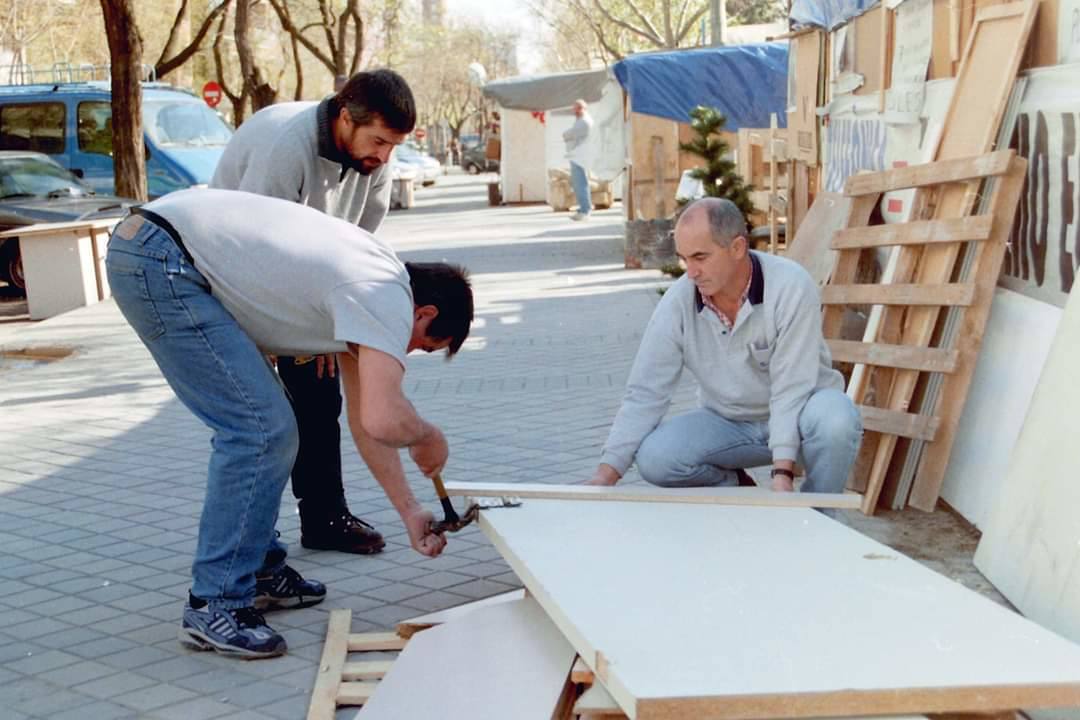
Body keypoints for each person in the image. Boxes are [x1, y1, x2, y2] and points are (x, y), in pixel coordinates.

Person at [105, 188, 474, 659]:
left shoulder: (375, 281)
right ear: (424, 313)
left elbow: (366, 425)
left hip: (159, 246)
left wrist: (409, 511)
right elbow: (385, 418)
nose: (407, 353)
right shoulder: (384, 295)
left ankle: (257, 568)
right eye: (422, 344)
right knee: (261, 430)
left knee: (272, 427)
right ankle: (213, 603)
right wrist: (427, 435)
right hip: (161, 258)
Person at [211, 69, 415, 556]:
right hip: (230, 272)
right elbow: (256, 252)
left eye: (393, 146)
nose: (385, 156)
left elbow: (357, 248)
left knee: (320, 400)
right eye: (379, 141)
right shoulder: (287, 148)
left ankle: (325, 517)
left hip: (301, 275)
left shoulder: (374, 159)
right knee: (262, 422)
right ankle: (253, 546)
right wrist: (296, 336)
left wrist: (329, 330)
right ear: (346, 118)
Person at [587, 197, 862, 495]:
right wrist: (605, 476)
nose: (690, 272)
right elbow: (645, 392)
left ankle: (818, 516)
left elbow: (791, 387)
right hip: (729, 423)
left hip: (802, 417)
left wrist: (782, 472)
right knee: (656, 458)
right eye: (684, 258)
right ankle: (739, 490)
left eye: (700, 257)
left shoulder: (791, 286)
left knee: (838, 418)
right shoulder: (679, 302)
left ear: (737, 248)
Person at [562, 99, 594, 221]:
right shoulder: (580, 121)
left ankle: (585, 210)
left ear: (584, 108)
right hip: (577, 155)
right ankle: (583, 209)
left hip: (580, 156)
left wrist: (566, 135)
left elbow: (569, 134)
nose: (576, 111)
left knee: (580, 182)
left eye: (579, 108)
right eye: (575, 108)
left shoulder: (584, 122)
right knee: (579, 182)